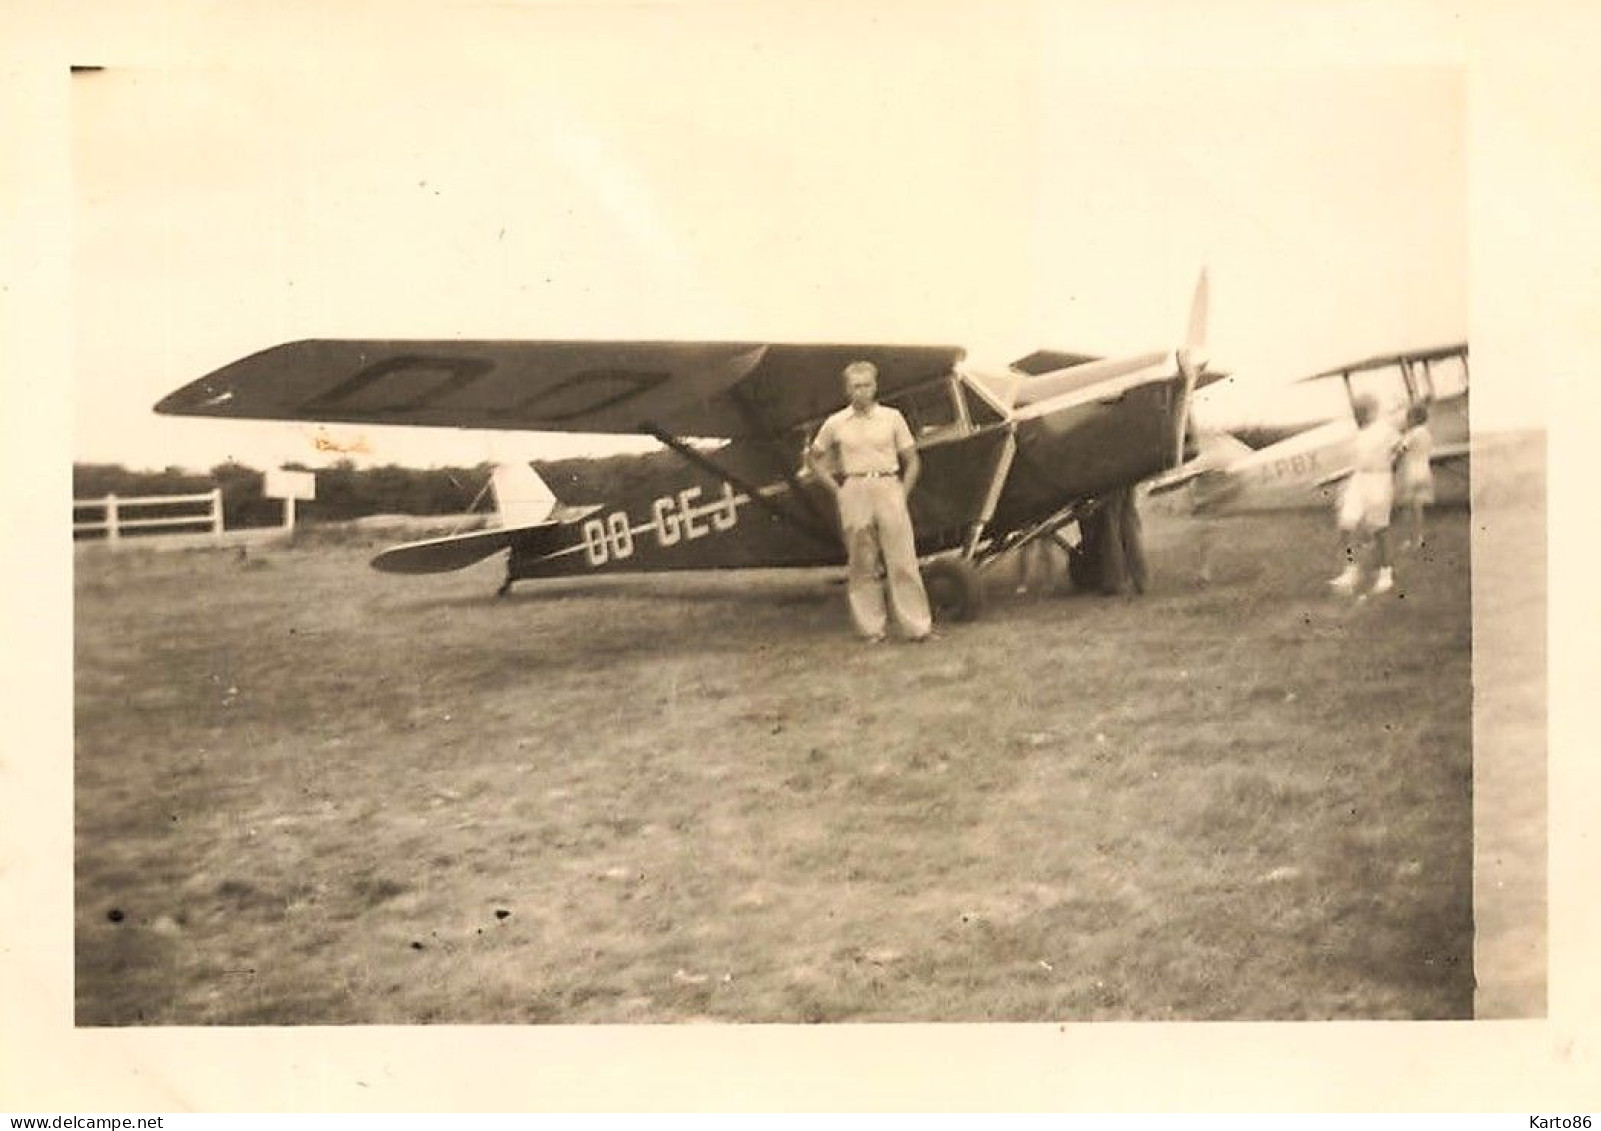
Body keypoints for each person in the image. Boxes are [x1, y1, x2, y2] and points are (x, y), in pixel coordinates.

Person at [806, 360, 934, 642]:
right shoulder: (835, 423)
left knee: (902, 560)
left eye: (865, 386)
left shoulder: (892, 417)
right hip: (854, 488)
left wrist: (902, 493)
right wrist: (837, 489)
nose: (860, 392)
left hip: (888, 484)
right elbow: (814, 458)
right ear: (847, 390)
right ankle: (871, 629)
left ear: (875, 387)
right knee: (862, 562)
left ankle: (918, 627)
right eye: (855, 387)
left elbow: (912, 460)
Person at [1329, 394, 1402, 596]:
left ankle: (1386, 575)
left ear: (1371, 410)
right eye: (1356, 411)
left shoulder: (1385, 430)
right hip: (1359, 479)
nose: (1358, 414)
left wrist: (1391, 467)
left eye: (1362, 410)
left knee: (1379, 529)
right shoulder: (1358, 433)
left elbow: (1401, 448)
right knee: (1346, 525)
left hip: (1379, 479)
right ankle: (1351, 571)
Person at [1395, 402, 1435, 550]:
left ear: (1413, 418)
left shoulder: (1412, 434)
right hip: (1424, 470)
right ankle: (1419, 538)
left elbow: (1402, 450)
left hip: (1410, 472)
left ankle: (1408, 539)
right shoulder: (1426, 433)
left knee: (1407, 508)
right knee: (1418, 508)